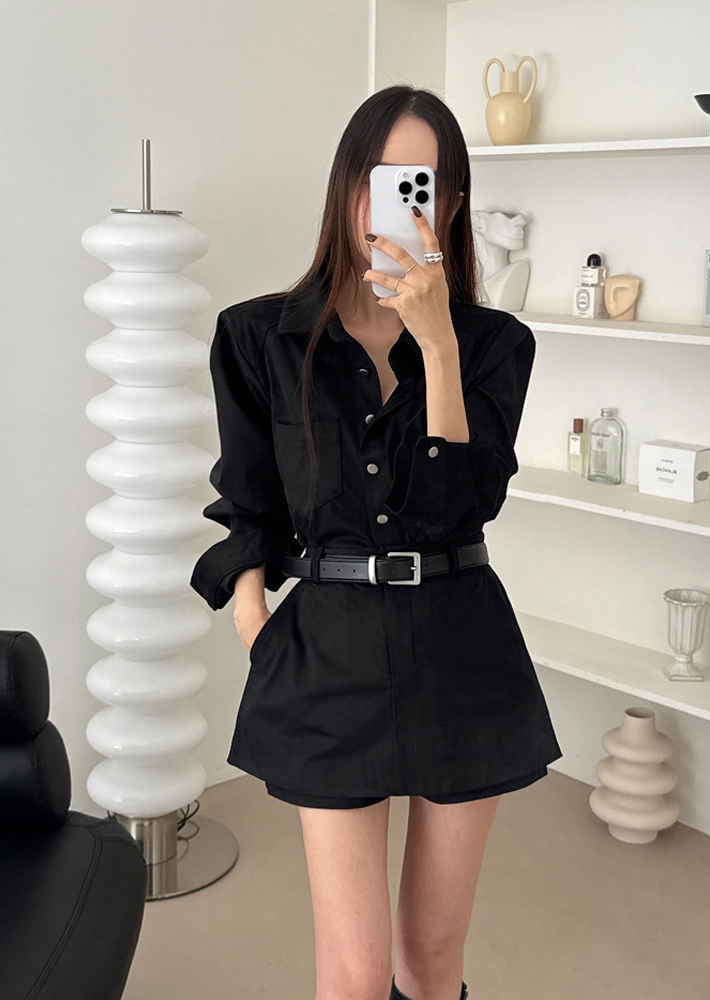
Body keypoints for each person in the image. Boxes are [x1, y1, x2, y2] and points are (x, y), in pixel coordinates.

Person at [190, 85, 563, 1000]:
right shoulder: (258, 337)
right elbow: (249, 501)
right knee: (354, 975)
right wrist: (254, 621)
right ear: (345, 186)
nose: (391, 204)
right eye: (377, 178)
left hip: (461, 645)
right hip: (327, 651)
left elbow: (465, 504)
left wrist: (437, 346)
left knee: (429, 959)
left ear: (451, 205)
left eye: (417, 184)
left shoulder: (493, 345)